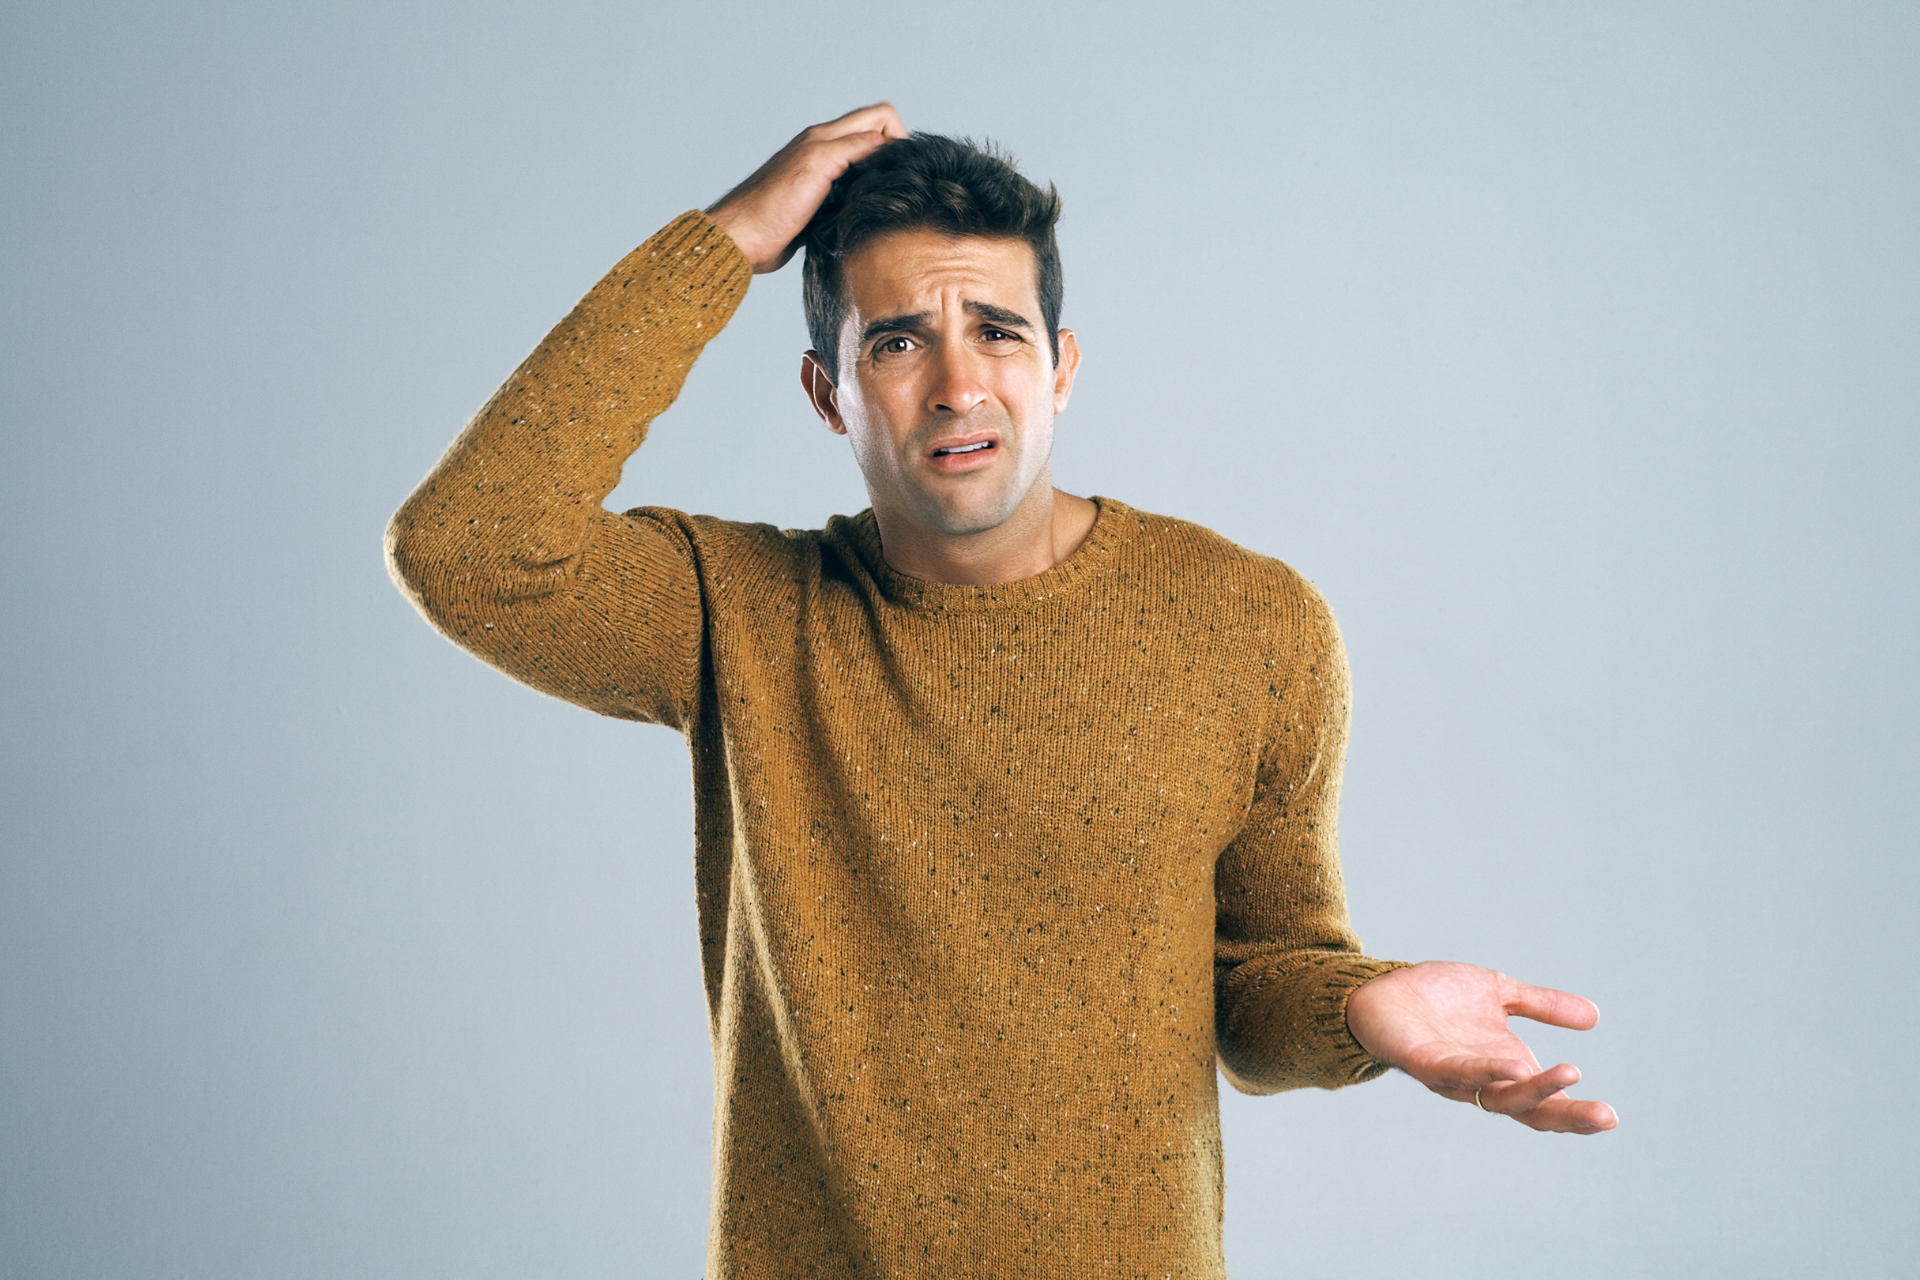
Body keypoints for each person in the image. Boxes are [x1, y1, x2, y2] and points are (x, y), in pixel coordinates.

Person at [386, 103, 1615, 1277]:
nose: (958, 384)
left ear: (1062, 365)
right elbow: (468, 543)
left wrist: (1362, 1007)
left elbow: (1257, 981)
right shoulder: (735, 614)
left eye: (998, 331)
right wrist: (729, 240)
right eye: (898, 340)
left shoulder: (1250, 623)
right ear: (829, 394)